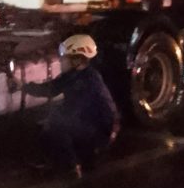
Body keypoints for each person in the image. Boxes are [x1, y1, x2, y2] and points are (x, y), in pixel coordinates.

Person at [13, 34, 119, 178]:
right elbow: (50, 89)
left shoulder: (87, 80)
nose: (61, 61)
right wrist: (23, 86)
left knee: (57, 119)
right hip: (92, 126)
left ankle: (71, 167)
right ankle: (68, 159)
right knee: (51, 123)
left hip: (100, 132)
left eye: (64, 58)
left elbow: (77, 111)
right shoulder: (74, 75)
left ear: (77, 60)